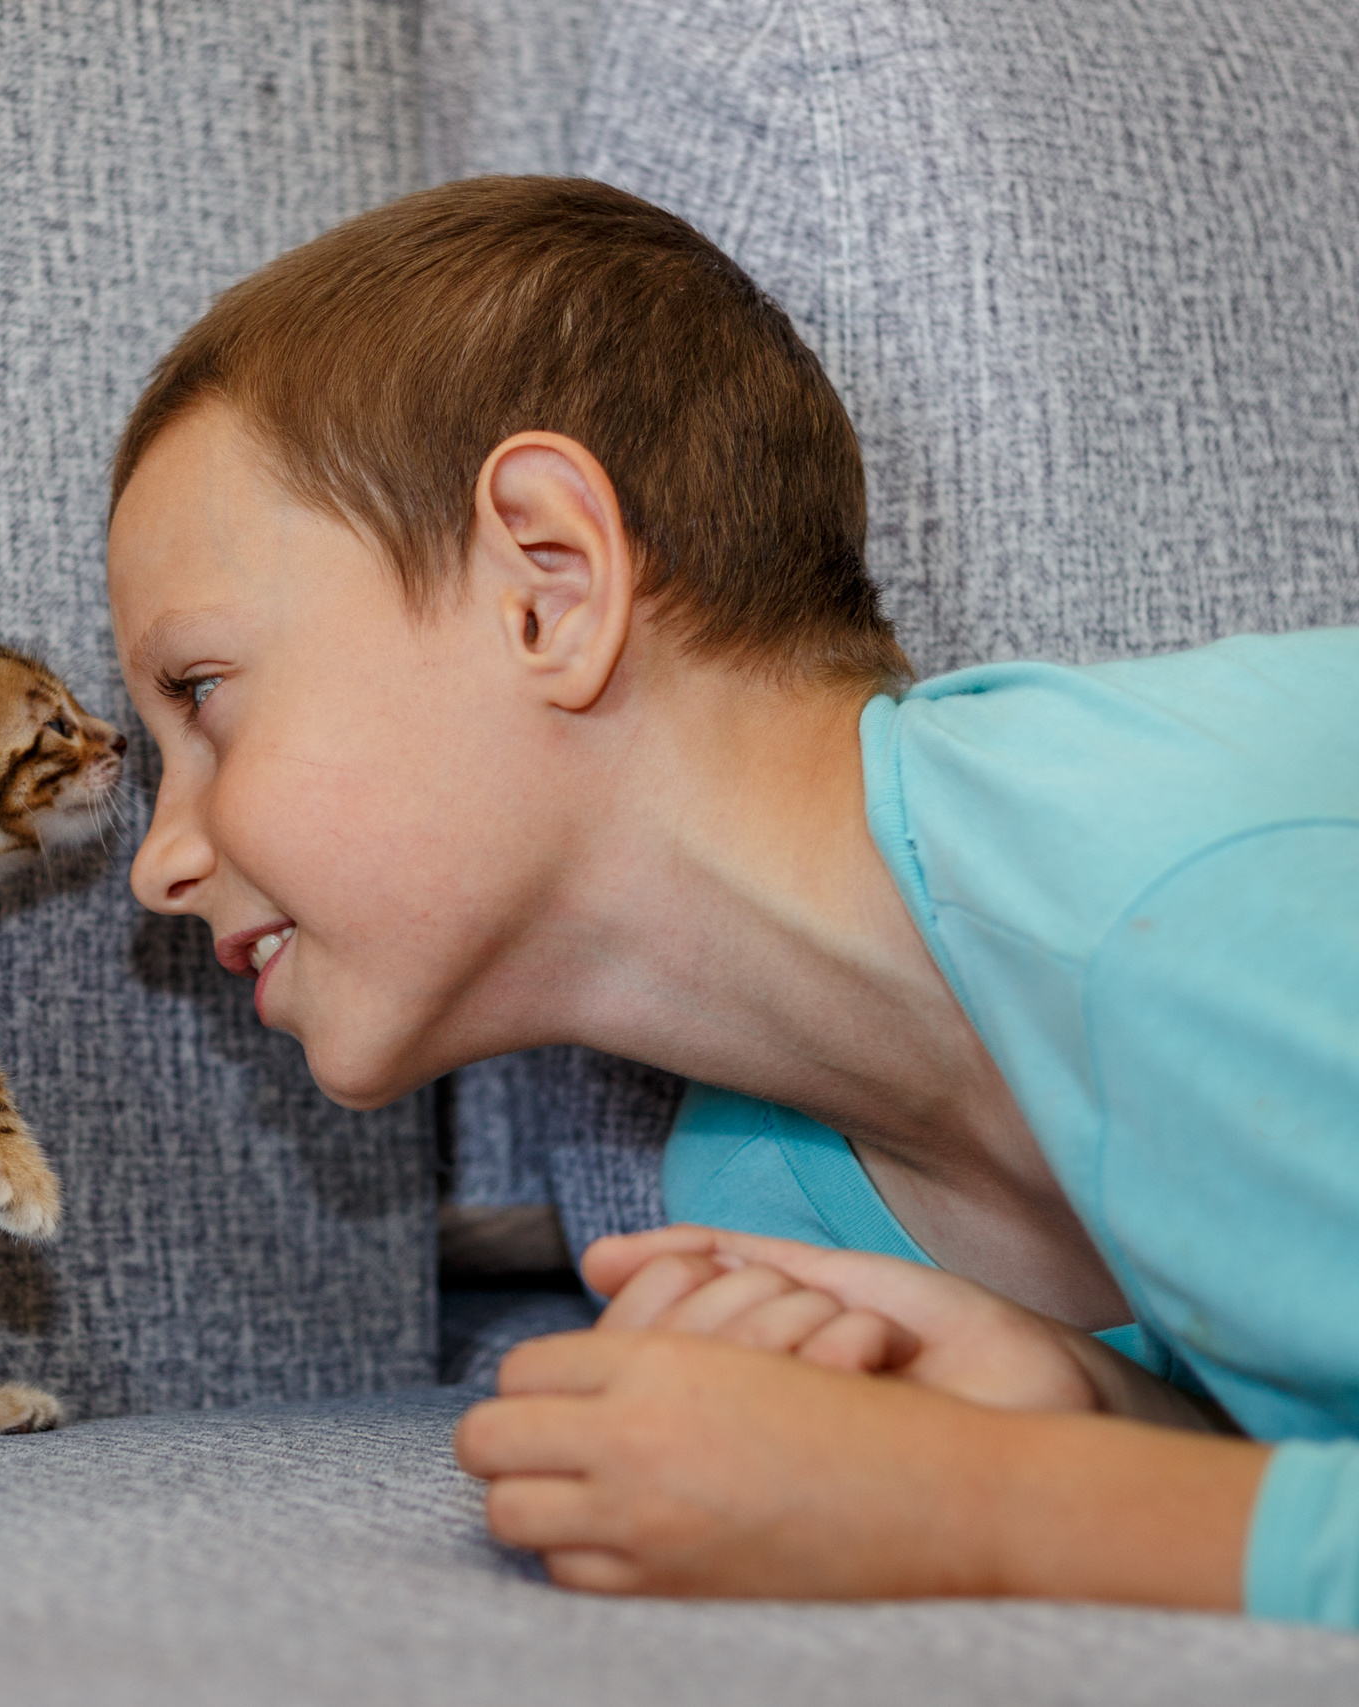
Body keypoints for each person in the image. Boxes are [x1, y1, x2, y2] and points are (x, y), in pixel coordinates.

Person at [102, 175, 1359, 1624]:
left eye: (203, 695)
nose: (158, 861)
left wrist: (968, 1503)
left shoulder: (1185, 884)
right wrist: (1082, 1410)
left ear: (549, 586)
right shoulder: (753, 1201)